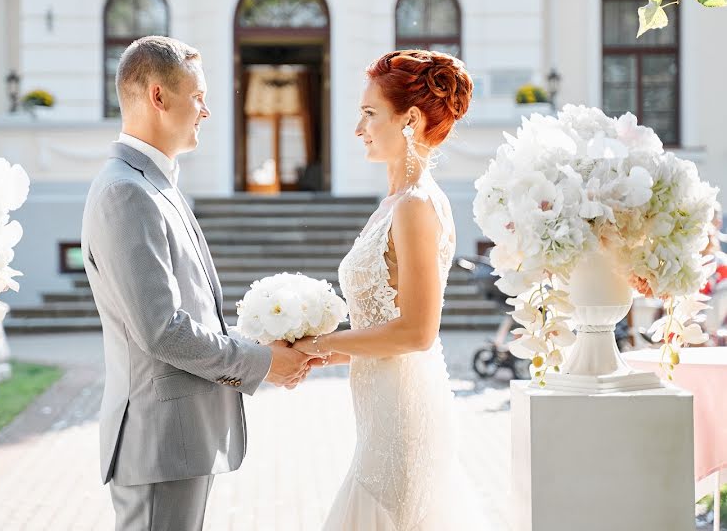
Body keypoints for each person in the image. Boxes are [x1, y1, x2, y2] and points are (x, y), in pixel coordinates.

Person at [80, 36, 313, 531]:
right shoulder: (127, 192)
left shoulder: (155, 182)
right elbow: (162, 329)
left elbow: (195, 311)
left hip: (178, 442)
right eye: (199, 96)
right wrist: (264, 363)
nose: (206, 111)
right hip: (158, 442)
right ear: (159, 97)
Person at [293, 50, 485, 529]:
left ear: (411, 120)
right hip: (380, 415)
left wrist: (320, 344)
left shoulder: (417, 206)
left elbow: (417, 333)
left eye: (369, 113)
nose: (358, 127)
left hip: (403, 422)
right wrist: (309, 354)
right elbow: (380, 332)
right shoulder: (395, 203)